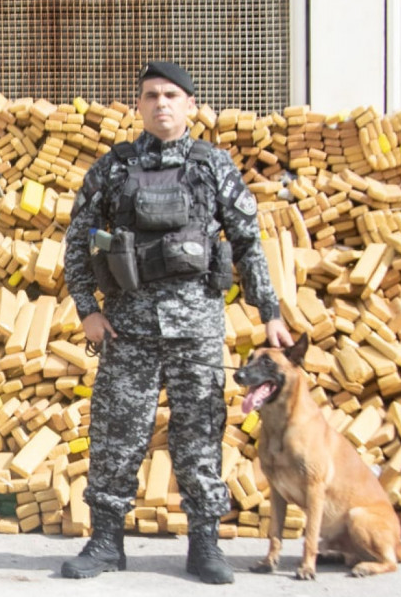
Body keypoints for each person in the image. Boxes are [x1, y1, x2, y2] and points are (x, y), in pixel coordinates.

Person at [60, 61, 293, 584]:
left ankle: (205, 545)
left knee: (199, 436)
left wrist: (270, 312)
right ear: (138, 106)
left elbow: (249, 243)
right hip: (128, 327)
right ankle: (104, 542)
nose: (160, 103)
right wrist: (87, 309)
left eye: (170, 95)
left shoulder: (214, 166)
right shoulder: (113, 169)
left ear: (191, 105)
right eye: (150, 96)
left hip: (197, 329)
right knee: (117, 436)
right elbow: (77, 241)